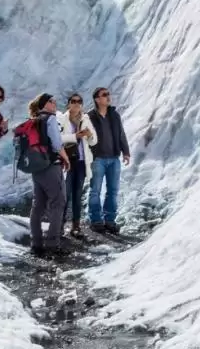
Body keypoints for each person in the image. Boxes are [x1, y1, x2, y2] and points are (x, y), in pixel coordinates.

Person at [28, 93, 71, 257]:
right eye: (51, 101)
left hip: (37, 167)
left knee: (37, 205)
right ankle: (53, 244)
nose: (55, 103)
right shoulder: (50, 119)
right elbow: (57, 143)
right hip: (51, 166)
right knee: (58, 202)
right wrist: (66, 158)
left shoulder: (34, 120)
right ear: (45, 104)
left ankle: (36, 244)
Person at [87, 87, 131, 234]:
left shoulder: (114, 115)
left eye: (108, 94)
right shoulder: (90, 117)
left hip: (114, 158)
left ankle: (110, 221)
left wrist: (126, 151)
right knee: (95, 191)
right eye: (104, 95)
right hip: (97, 159)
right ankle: (96, 220)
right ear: (97, 99)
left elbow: (121, 134)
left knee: (112, 191)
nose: (108, 97)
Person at [59, 93, 97, 238]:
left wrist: (89, 135)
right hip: (67, 162)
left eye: (79, 101)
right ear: (68, 104)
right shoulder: (62, 119)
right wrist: (75, 136)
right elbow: (57, 139)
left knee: (77, 195)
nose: (76, 104)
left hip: (81, 162)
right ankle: (60, 225)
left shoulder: (85, 119)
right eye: (73, 101)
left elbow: (94, 141)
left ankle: (76, 226)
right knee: (65, 195)